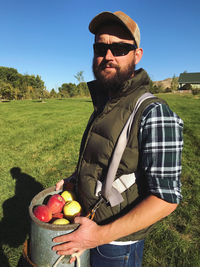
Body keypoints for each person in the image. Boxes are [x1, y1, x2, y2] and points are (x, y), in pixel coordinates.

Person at [52, 11, 183, 267]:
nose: (108, 56)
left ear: (137, 54)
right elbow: (105, 161)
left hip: (115, 245)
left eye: (120, 48)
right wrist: (75, 180)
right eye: (101, 47)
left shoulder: (154, 113)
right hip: (88, 226)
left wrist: (98, 236)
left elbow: (166, 199)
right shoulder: (108, 103)